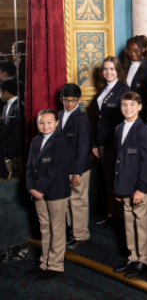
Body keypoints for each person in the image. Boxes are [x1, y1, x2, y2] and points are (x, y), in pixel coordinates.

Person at [113, 92, 147, 278]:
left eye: (132, 104)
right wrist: (117, 187)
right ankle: (133, 255)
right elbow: (118, 160)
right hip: (124, 185)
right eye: (124, 105)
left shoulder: (144, 131)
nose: (128, 108)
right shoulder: (118, 129)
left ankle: (144, 259)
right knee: (129, 223)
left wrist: (141, 188)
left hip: (140, 187)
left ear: (139, 107)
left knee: (142, 224)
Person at [25, 109, 70, 280]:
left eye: (49, 122)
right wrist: (31, 187)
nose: (45, 126)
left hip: (55, 190)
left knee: (56, 227)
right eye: (41, 123)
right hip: (37, 191)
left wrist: (40, 188)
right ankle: (44, 263)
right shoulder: (36, 141)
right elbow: (29, 166)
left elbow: (55, 167)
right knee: (44, 227)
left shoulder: (61, 141)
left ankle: (55, 266)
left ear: (57, 123)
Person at [92, 56, 130, 225]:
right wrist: (95, 143)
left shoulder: (123, 90)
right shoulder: (102, 91)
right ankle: (111, 213)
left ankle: (121, 215)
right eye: (105, 69)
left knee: (119, 179)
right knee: (107, 179)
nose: (108, 72)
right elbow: (96, 120)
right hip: (102, 143)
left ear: (118, 71)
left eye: (111, 69)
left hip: (116, 143)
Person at [58, 83, 91, 251]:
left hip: (78, 168)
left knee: (78, 201)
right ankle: (73, 232)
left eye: (72, 100)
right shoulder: (58, 115)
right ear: (61, 100)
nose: (69, 103)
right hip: (63, 168)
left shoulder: (82, 119)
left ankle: (81, 235)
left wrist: (78, 173)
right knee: (66, 202)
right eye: (66, 100)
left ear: (79, 100)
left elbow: (84, 148)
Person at [123, 34, 147, 113]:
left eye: (136, 51)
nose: (133, 54)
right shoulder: (124, 68)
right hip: (126, 111)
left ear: (143, 49)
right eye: (130, 51)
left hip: (142, 112)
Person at [0, 77, 24, 178]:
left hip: (15, 152)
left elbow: (19, 132)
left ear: (5, 92)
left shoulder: (19, 107)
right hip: (7, 150)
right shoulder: (5, 106)